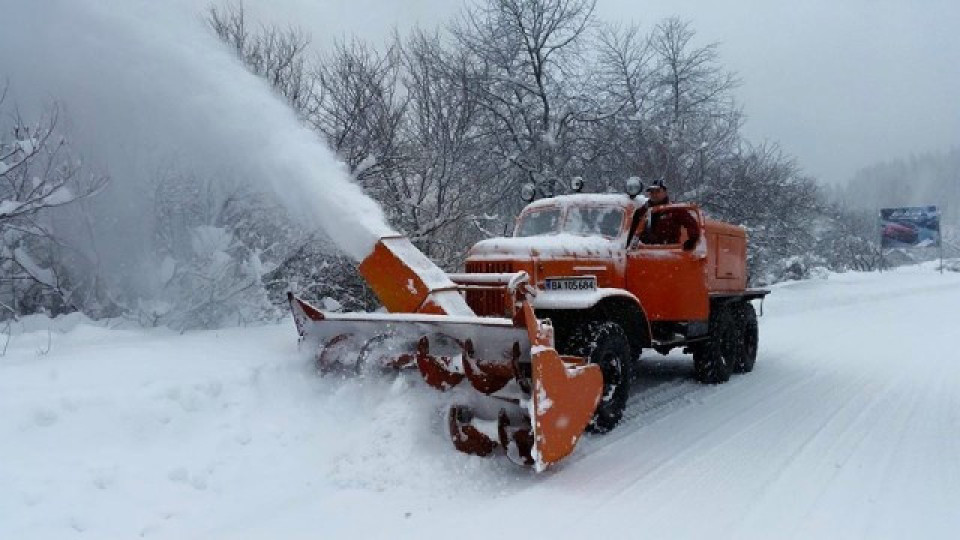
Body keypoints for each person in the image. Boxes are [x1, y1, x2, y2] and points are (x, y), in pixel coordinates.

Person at [626, 179, 700, 250]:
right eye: (652, 192)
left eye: (657, 191)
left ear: (665, 192)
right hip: (646, 250)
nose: (654, 194)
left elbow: (691, 223)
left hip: (668, 251)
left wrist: (692, 240)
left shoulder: (674, 209)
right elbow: (631, 230)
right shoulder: (643, 210)